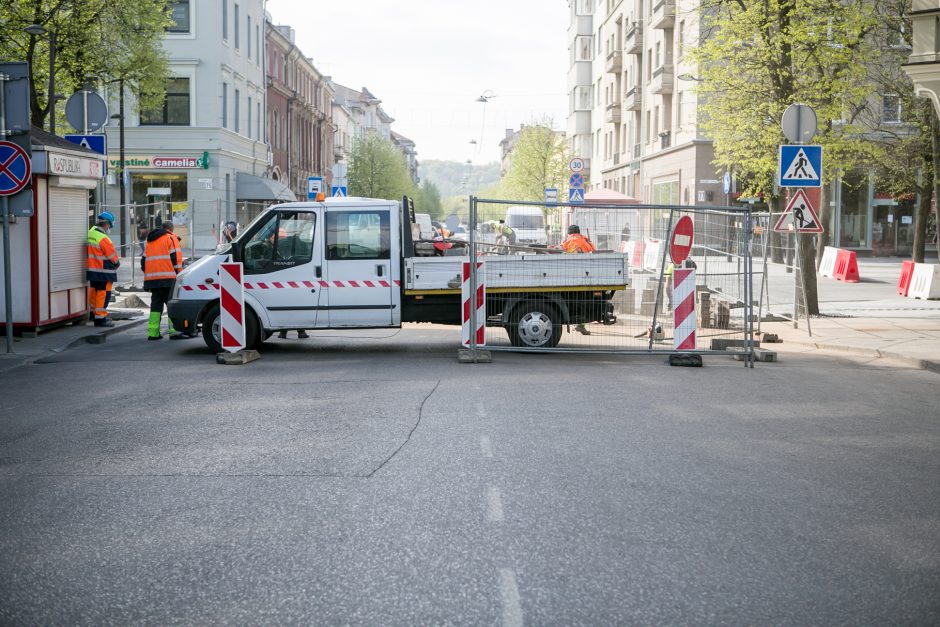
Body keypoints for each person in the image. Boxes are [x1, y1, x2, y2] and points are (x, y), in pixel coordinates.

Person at [142, 220, 185, 340]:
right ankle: (174, 331)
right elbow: (176, 260)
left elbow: (143, 261)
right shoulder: (171, 238)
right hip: (168, 279)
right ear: (171, 229)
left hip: (153, 280)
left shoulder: (150, 241)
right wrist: (179, 276)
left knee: (155, 306)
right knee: (172, 305)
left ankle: (153, 333)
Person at [558, 225, 596, 334]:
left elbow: (558, 252)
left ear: (569, 233)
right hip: (585, 275)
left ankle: (577, 323)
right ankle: (581, 324)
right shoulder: (586, 241)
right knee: (583, 299)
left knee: (574, 299)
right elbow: (594, 252)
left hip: (569, 275)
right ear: (579, 232)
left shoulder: (567, 241)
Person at [86, 212, 120, 327]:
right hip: (103, 271)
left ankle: (93, 313)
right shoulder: (103, 238)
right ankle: (100, 318)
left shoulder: (90, 233)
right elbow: (113, 257)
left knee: (93, 290)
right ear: (106, 224)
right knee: (103, 293)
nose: (109, 228)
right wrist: (117, 263)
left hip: (92, 269)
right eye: (109, 225)